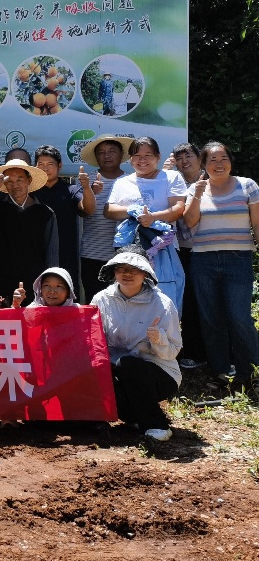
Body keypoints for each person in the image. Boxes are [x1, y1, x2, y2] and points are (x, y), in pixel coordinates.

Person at [182, 142, 259, 396]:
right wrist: (197, 194)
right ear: (204, 164)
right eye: (212, 160)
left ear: (231, 161)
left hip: (238, 259)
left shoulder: (247, 185)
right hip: (203, 260)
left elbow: (257, 223)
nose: (218, 164)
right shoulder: (195, 188)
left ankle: (251, 373)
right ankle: (222, 372)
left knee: (240, 317)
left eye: (223, 158)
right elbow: (190, 222)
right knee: (211, 319)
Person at [92, 245, 181, 442]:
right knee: (98, 369)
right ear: (113, 271)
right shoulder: (101, 299)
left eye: (134, 269)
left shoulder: (162, 303)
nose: (127, 274)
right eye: (121, 268)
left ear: (145, 273)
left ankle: (157, 424)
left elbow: (173, 351)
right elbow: (92, 342)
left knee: (127, 365)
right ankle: (133, 417)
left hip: (158, 371)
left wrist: (159, 339)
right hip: (115, 370)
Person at [105, 137, 187, 313]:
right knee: (129, 294)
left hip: (163, 248)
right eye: (137, 155)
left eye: (148, 155)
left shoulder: (171, 177)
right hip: (129, 250)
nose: (142, 160)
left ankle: (163, 329)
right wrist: (131, 210)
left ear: (158, 156)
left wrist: (153, 218)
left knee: (163, 295)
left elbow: (179, 208)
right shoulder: (122, 182)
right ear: (130, 158)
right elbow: (109, 210)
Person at [0, 159, 58, 302]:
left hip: (35, 281)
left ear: (29, 180)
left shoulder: (45, 213)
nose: (15, 185)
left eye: (20, 180)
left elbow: (51, 252)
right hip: (1, 280)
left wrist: (50, 282)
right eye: (9, 181)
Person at [165, 141, 206, 369]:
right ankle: (194, 351)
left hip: (211, 248)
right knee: (188, 301)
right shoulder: (174, 182)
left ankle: (221, 352)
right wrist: (165, 175)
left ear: (200, 158)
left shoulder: (213, 179)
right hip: (184, 250)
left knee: (211, 301)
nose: (184, 161)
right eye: (179, 158)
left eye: (188, 156)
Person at [33, 144, 94, 292]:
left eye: (50, 164)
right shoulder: (30, 192)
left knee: (66, 294)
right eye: (41, 164)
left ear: (59, 166)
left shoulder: (71, 189)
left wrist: (87, 187)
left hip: (65, 254)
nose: (45, 168)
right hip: (35, 253)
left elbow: (88, 209)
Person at [79, 135, 128, 303]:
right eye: (101, 152)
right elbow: (82, 212)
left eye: (112, 151)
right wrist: (90, 191)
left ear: (121, 154)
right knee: (95, 304)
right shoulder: (86, 180)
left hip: (124, 254)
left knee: (123, 303)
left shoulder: (132, 181)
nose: (106, 155)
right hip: (91, 253)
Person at [12, 267, 76, 308]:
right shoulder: (33, 308)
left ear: (68, 292)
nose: (52, 291)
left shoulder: (78, 312)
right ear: (40, 289)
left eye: (59, 286)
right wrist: (16, 305)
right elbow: (18, 322)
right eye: (47, 285)